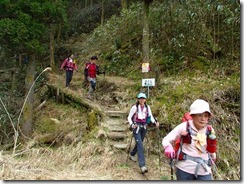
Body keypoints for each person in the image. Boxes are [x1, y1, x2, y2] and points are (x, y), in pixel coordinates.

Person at [162, 99, 217, 180]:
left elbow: (211, 149)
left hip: (204, 170)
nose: (203, 119)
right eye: (200, 115)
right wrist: (168, 147)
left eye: (205, 116)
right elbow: (166, 139)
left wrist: (213, 156)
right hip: (184, 169)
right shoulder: (184, 126)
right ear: (193, 115)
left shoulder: (209, 130)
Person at [127, 92, 160, 174]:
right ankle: (142, 166)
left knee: (139, 143)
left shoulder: (147, 107)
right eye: (140, 98)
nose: (142, 100)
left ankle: (132, 154)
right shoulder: (134, 108)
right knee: (141, 146)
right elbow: (129, 117)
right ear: (138, 99)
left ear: (145, 99)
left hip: (144, 128)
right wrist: (132, 124)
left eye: (143, 98)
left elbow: (150, 116)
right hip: (137, 128)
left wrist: (155, 122)